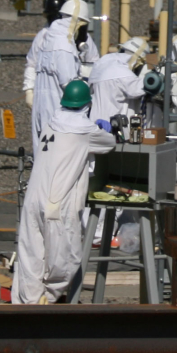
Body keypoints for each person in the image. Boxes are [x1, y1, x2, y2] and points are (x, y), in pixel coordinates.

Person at [13, 79, 115, 304]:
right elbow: (109, 143)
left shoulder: (52, 120)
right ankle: (47, 301)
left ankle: (27, 304)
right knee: (66, 258)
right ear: (87, 104)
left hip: (33, 197)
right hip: (57, 202)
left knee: (31, 255)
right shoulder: (85, 129)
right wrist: (103, 127)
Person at [32, 0, 93, 149]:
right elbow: (70, 87)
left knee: (42, 153)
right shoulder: (64, 46)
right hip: (58, 110)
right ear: (78, 23)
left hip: (41, 107)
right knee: (58, 154)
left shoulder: (50, 39)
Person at [89, 37, 152, 131]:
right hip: (112, 129)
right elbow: (145, 86)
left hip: (94, 125)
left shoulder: (103, 63)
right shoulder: (122, 74)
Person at [24, 0, 65, 108]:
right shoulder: (42, 36)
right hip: (45, 90)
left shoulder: (74, 36)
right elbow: (31, 64)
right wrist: (29, 89)